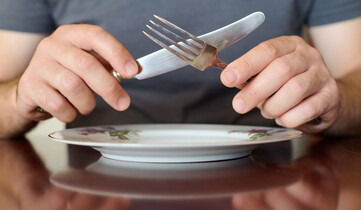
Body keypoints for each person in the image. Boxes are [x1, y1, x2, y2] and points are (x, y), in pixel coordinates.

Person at [0, 0, 360, 139]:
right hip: (96, 196)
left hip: (266, 182)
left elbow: (354, 81)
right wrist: (19, 98)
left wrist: (335, 100)